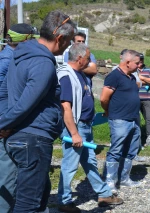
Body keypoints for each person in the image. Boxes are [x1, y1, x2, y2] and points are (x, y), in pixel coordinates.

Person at [0, 10, 75, 212]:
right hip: (33, 138)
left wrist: (6, 123)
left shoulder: (20, 55)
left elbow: (5, 93)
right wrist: (3, 125)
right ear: (59, 37)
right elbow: (27, 102)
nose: (69, 46)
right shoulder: (43, 63)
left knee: (37, 197)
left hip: (19, 137)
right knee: (28, 205)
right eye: (68, 41)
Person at [57, 43, 123, 212]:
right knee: (69, 165)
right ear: (79, 58)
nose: (89, 61)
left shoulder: (79, 74)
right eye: (87, 58)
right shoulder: (66, 75)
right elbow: (66, 107)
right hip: (76, 128)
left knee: (90, 162)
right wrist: (74, 133)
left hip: (85, 126)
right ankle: (64, 201)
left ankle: (103, 194)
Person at [0, 23, 38, 213]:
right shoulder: (8, 60)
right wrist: (5, 123)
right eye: (33, 37)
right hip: (6, 125)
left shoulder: (11, 57)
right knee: (8, 174)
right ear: (24, 39)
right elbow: (2, 95)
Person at [101, 50, 142, 192]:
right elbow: (104, 98)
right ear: (128, 62)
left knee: (131, 150)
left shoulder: (131, 77)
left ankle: (124, 178)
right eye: (137, 63)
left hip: (133, 119)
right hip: (119, 119)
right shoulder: (114, 76)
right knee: (116, 150)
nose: (139, 65)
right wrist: (108, 111)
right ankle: (110, 181)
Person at [133, 53, 150, 146]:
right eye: (139, 60)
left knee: (149, 118)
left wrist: (141, 78)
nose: (140, 62)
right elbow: (133, 82)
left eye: (142, 60)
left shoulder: (148, 70)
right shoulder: (133, 70)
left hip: (147, 98)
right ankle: (137, 140)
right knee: (136, 119)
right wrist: (146, 81)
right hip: (135, 98)